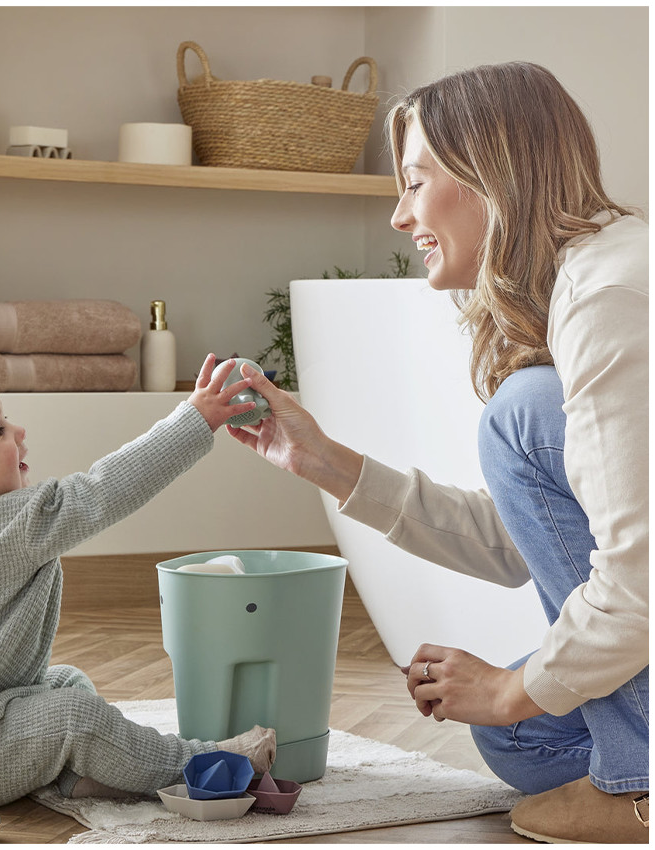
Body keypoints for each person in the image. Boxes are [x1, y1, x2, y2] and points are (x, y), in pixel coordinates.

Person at [228, 61, 647, 844]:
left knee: (522, 414)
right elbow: (527, 542)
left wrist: (511, 688)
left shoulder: (609, 299)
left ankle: (639, 786)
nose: (399, 215)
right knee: (517, 740)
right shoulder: (590, 281)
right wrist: (322, 461)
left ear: (490, 177)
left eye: (415, 183)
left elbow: (640, 585)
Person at [0, 356, 276, 810]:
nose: (18, 431)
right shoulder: (12, 523)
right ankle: (200, 764)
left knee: (66, 682)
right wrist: (195, 420)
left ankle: (77, 777)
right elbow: (105, 489)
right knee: (74, 715)